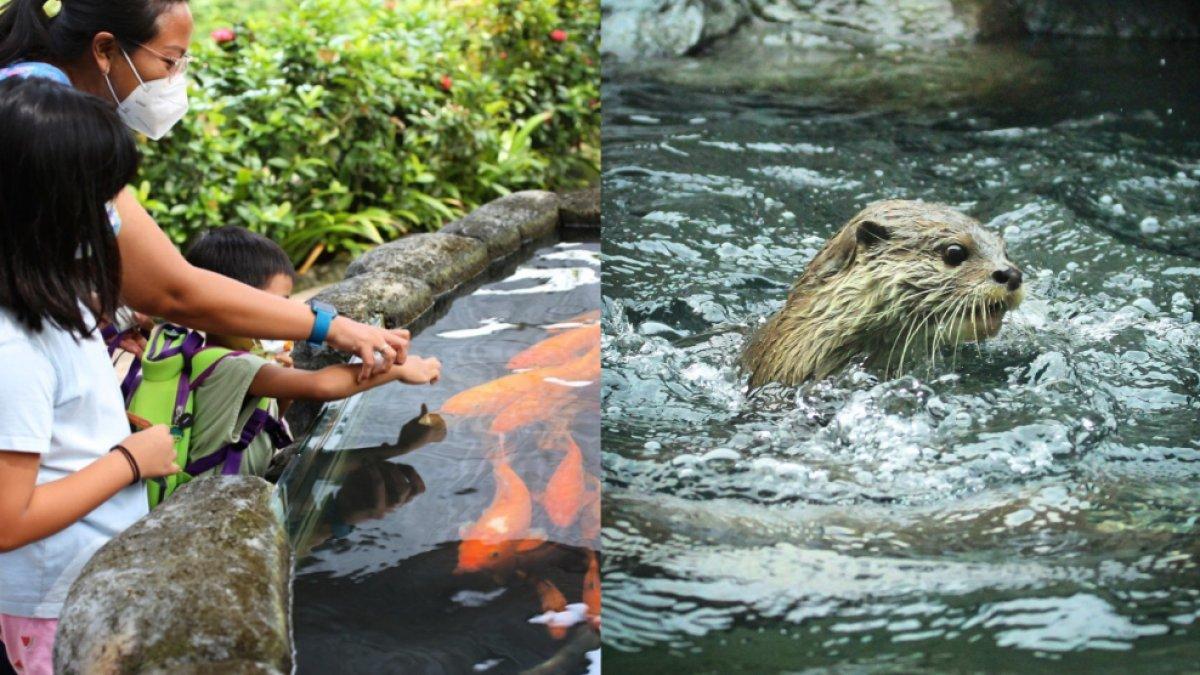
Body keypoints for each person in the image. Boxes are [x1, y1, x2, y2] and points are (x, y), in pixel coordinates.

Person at [0, 0, 410, 382]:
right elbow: (174, 289)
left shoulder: (25, 89)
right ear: (105, 49)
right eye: (170, 60)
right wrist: (332, 327)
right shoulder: (49, 130)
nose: (174, 79)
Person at [0, 77, 179, 675]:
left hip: (87, 576)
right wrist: (129, 461)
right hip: (52, 605)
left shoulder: (54, 297)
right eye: (104, 196)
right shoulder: (13, 346)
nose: (115, 214)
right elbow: (8, 520)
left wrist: (103, 427)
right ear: (47, 209)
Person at [157, 226, 441, 482]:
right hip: (215, 505)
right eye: (278, 305)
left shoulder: (220, 356)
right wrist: (397, 370)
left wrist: (283, 390)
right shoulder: (227, 364)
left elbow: (257, 430)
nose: (287, 315)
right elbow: (321, 385)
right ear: (236, 304)